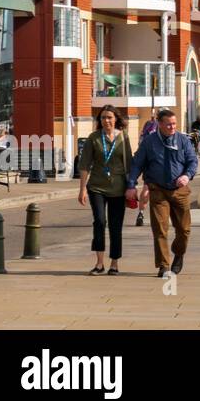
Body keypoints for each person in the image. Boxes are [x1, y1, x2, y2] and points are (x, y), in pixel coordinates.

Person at [127, 109, 199, 277]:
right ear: (159, 124)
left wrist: (187, 176)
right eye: (168, 124)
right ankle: (164, 265)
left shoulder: (183, 140)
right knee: (160, 229)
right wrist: (131, 184)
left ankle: (178, 253)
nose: (172, 127)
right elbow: (137, 163)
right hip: (158, 189)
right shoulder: (149, 142)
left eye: (174, 124)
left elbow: (192, 161)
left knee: (184, 230)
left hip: (179, 190)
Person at [77, 106, 132, 275]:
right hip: (97, 187)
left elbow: (129, 163)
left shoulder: (123, 137)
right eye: (102, 118)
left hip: (118, 188)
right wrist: (82, 189)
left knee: (116, 226)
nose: (106, 121)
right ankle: (99, 263)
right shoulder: (93, 138)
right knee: (99, 222)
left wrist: (132, 187)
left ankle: (114, 263)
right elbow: (85, 164)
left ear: (116, 119)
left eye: (109, 117)